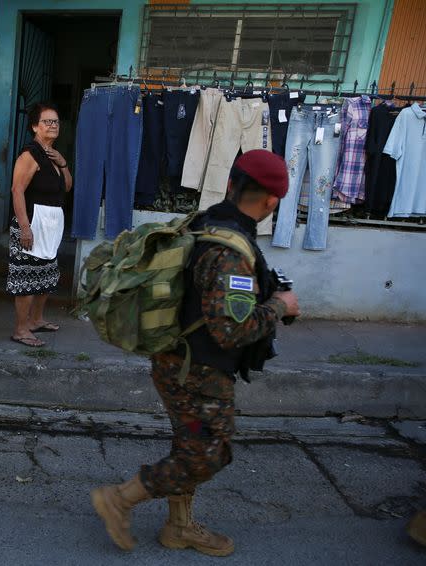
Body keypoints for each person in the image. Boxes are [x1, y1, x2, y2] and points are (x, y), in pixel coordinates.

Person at [91, 150, 300, 556]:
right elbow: (230, 330)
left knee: (191, 441)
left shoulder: (210, 223)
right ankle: (120, 498)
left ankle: (179, 527)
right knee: (209, 452)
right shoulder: (230, 253)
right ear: (273, 201)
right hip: (197, 373)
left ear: (229, 185)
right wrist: (280, 306)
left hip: (176, 363)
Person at [6, 102, 73, 347]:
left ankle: (36, 320)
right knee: (26, 277)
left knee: (46, 274)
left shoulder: (53, 156)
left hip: (51, 225)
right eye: (47, 121)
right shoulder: (30, 154)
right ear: (35, 126)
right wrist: (25, 226)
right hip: (32, 224)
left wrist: (64, 163)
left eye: (55, 121)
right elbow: (17, 190)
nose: (53, 125)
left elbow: (66, 187)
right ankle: (21, 329)